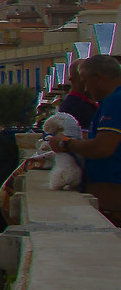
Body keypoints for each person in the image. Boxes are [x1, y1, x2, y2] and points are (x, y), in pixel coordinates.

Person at [48, 56, 121, 226]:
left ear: (98, 78)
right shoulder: (108, 102)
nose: (86, 88)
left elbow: (102, 148)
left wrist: (65, 143)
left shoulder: (116, 101)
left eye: (86, 81)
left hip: (114, 200)